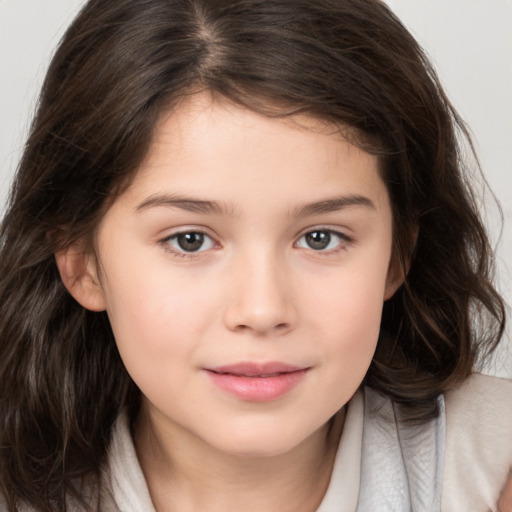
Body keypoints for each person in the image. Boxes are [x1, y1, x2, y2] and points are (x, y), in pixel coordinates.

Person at [0, 0, 510, 510]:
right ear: (80, 261)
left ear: (398, 255)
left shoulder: (495, 466)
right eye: (190, 240)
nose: (262, 310)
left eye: (320, 238)